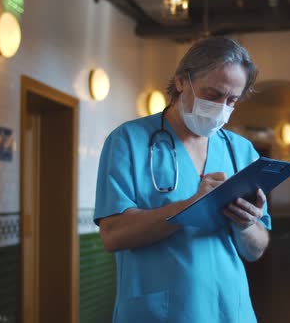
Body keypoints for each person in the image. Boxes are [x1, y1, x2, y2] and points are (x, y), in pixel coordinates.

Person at [94, 36, 270, 323]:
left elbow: (256, 249)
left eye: (232, 100)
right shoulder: (129, 141)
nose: (221, 107)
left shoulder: (241, 151)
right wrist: (189, 207)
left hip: (230, 310)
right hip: (160, 312)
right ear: (180, 82)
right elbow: (113, 235)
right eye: (212, 95)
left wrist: (248, 223)